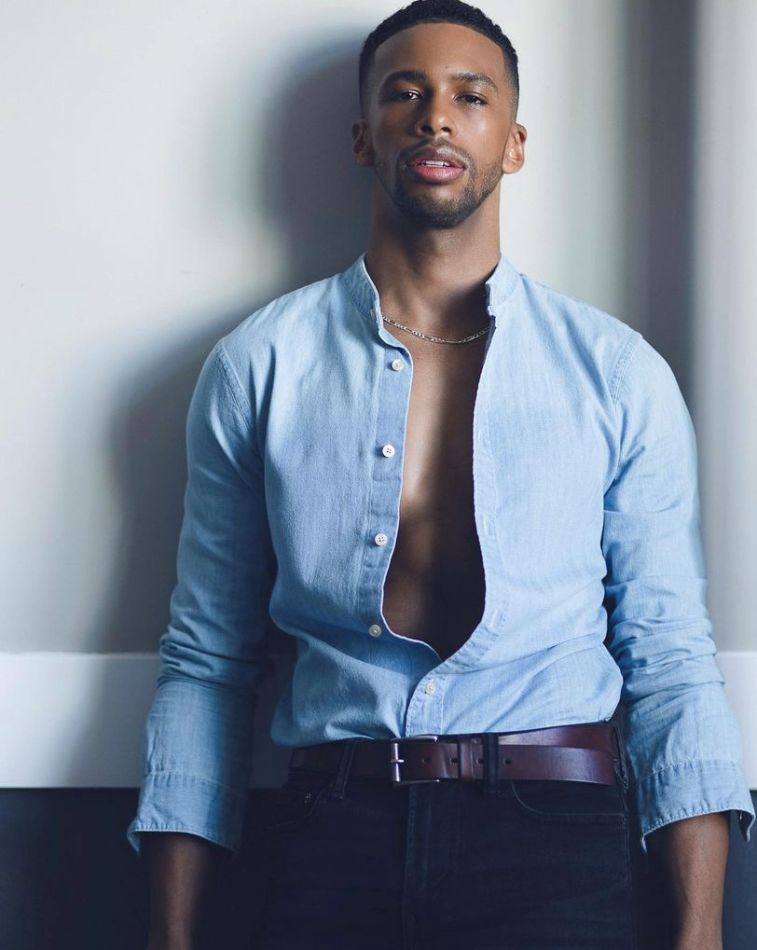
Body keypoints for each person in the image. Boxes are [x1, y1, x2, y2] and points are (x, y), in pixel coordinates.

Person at [127, 1, 755, 947]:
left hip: (553, 841)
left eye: (471, 96)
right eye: (405, 93)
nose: (435, 118)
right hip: (329, 830)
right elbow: (206, 662)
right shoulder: (259, 366)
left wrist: (699, 932)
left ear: (513, 143)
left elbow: (668, 660)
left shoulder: (616, 374)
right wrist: (170, 936)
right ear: (362, 137)